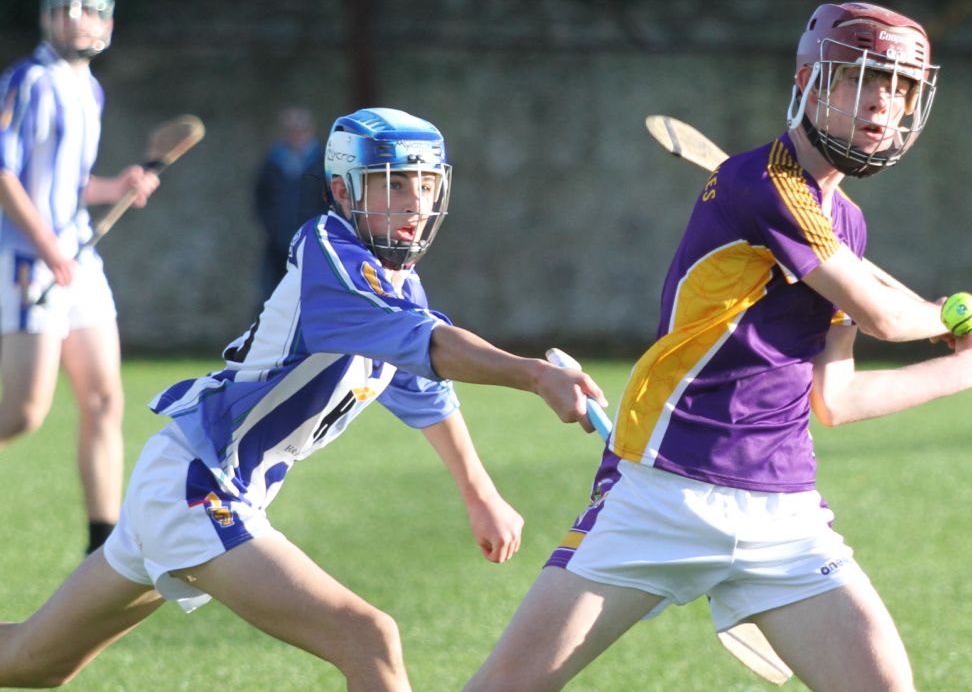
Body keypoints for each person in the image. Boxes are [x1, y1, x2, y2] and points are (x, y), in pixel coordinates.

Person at [465, 2, 972, 692]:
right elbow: (880, 313)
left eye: (901, 87)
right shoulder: (764, 184)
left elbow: (835, 399)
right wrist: (938, 314)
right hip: (664, 492)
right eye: (862, 79)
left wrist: (962, 367)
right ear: (812, 83)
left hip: (784, 515)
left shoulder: (845, 223)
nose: (883, 103)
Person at [0, 107, 607, 690]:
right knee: (370, 638)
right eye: (392, 185)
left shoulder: (396, 280)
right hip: (198, 485)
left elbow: (424, 389)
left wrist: (480, 495)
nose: (415, 204)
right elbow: (432, 345)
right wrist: (533, 375)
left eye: (424, 184)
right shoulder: (331, 253)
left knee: (33, 662)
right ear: (343, 191)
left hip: (186, 476)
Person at [0, 0, 160, 554]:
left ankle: (105, 547)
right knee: (22, 415)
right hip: (28, 261)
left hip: (79, 260)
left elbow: (66, 185)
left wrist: (116, 185)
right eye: (62, 9)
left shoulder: (90, 89)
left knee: (103, 399)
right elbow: (4, 172)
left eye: (85, 9)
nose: (72, 19)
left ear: (106, 21)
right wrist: (45, 245)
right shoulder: (27, 81)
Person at [253, 105, 325, 303]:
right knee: (272, 297)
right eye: (289, 130)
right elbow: (261, 199)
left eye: (299, 129)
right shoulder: (272, 161)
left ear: (310, 130)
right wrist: (273, 229)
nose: (295, 134)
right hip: (278, 245)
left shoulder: (324, 162)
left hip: (313, 243)